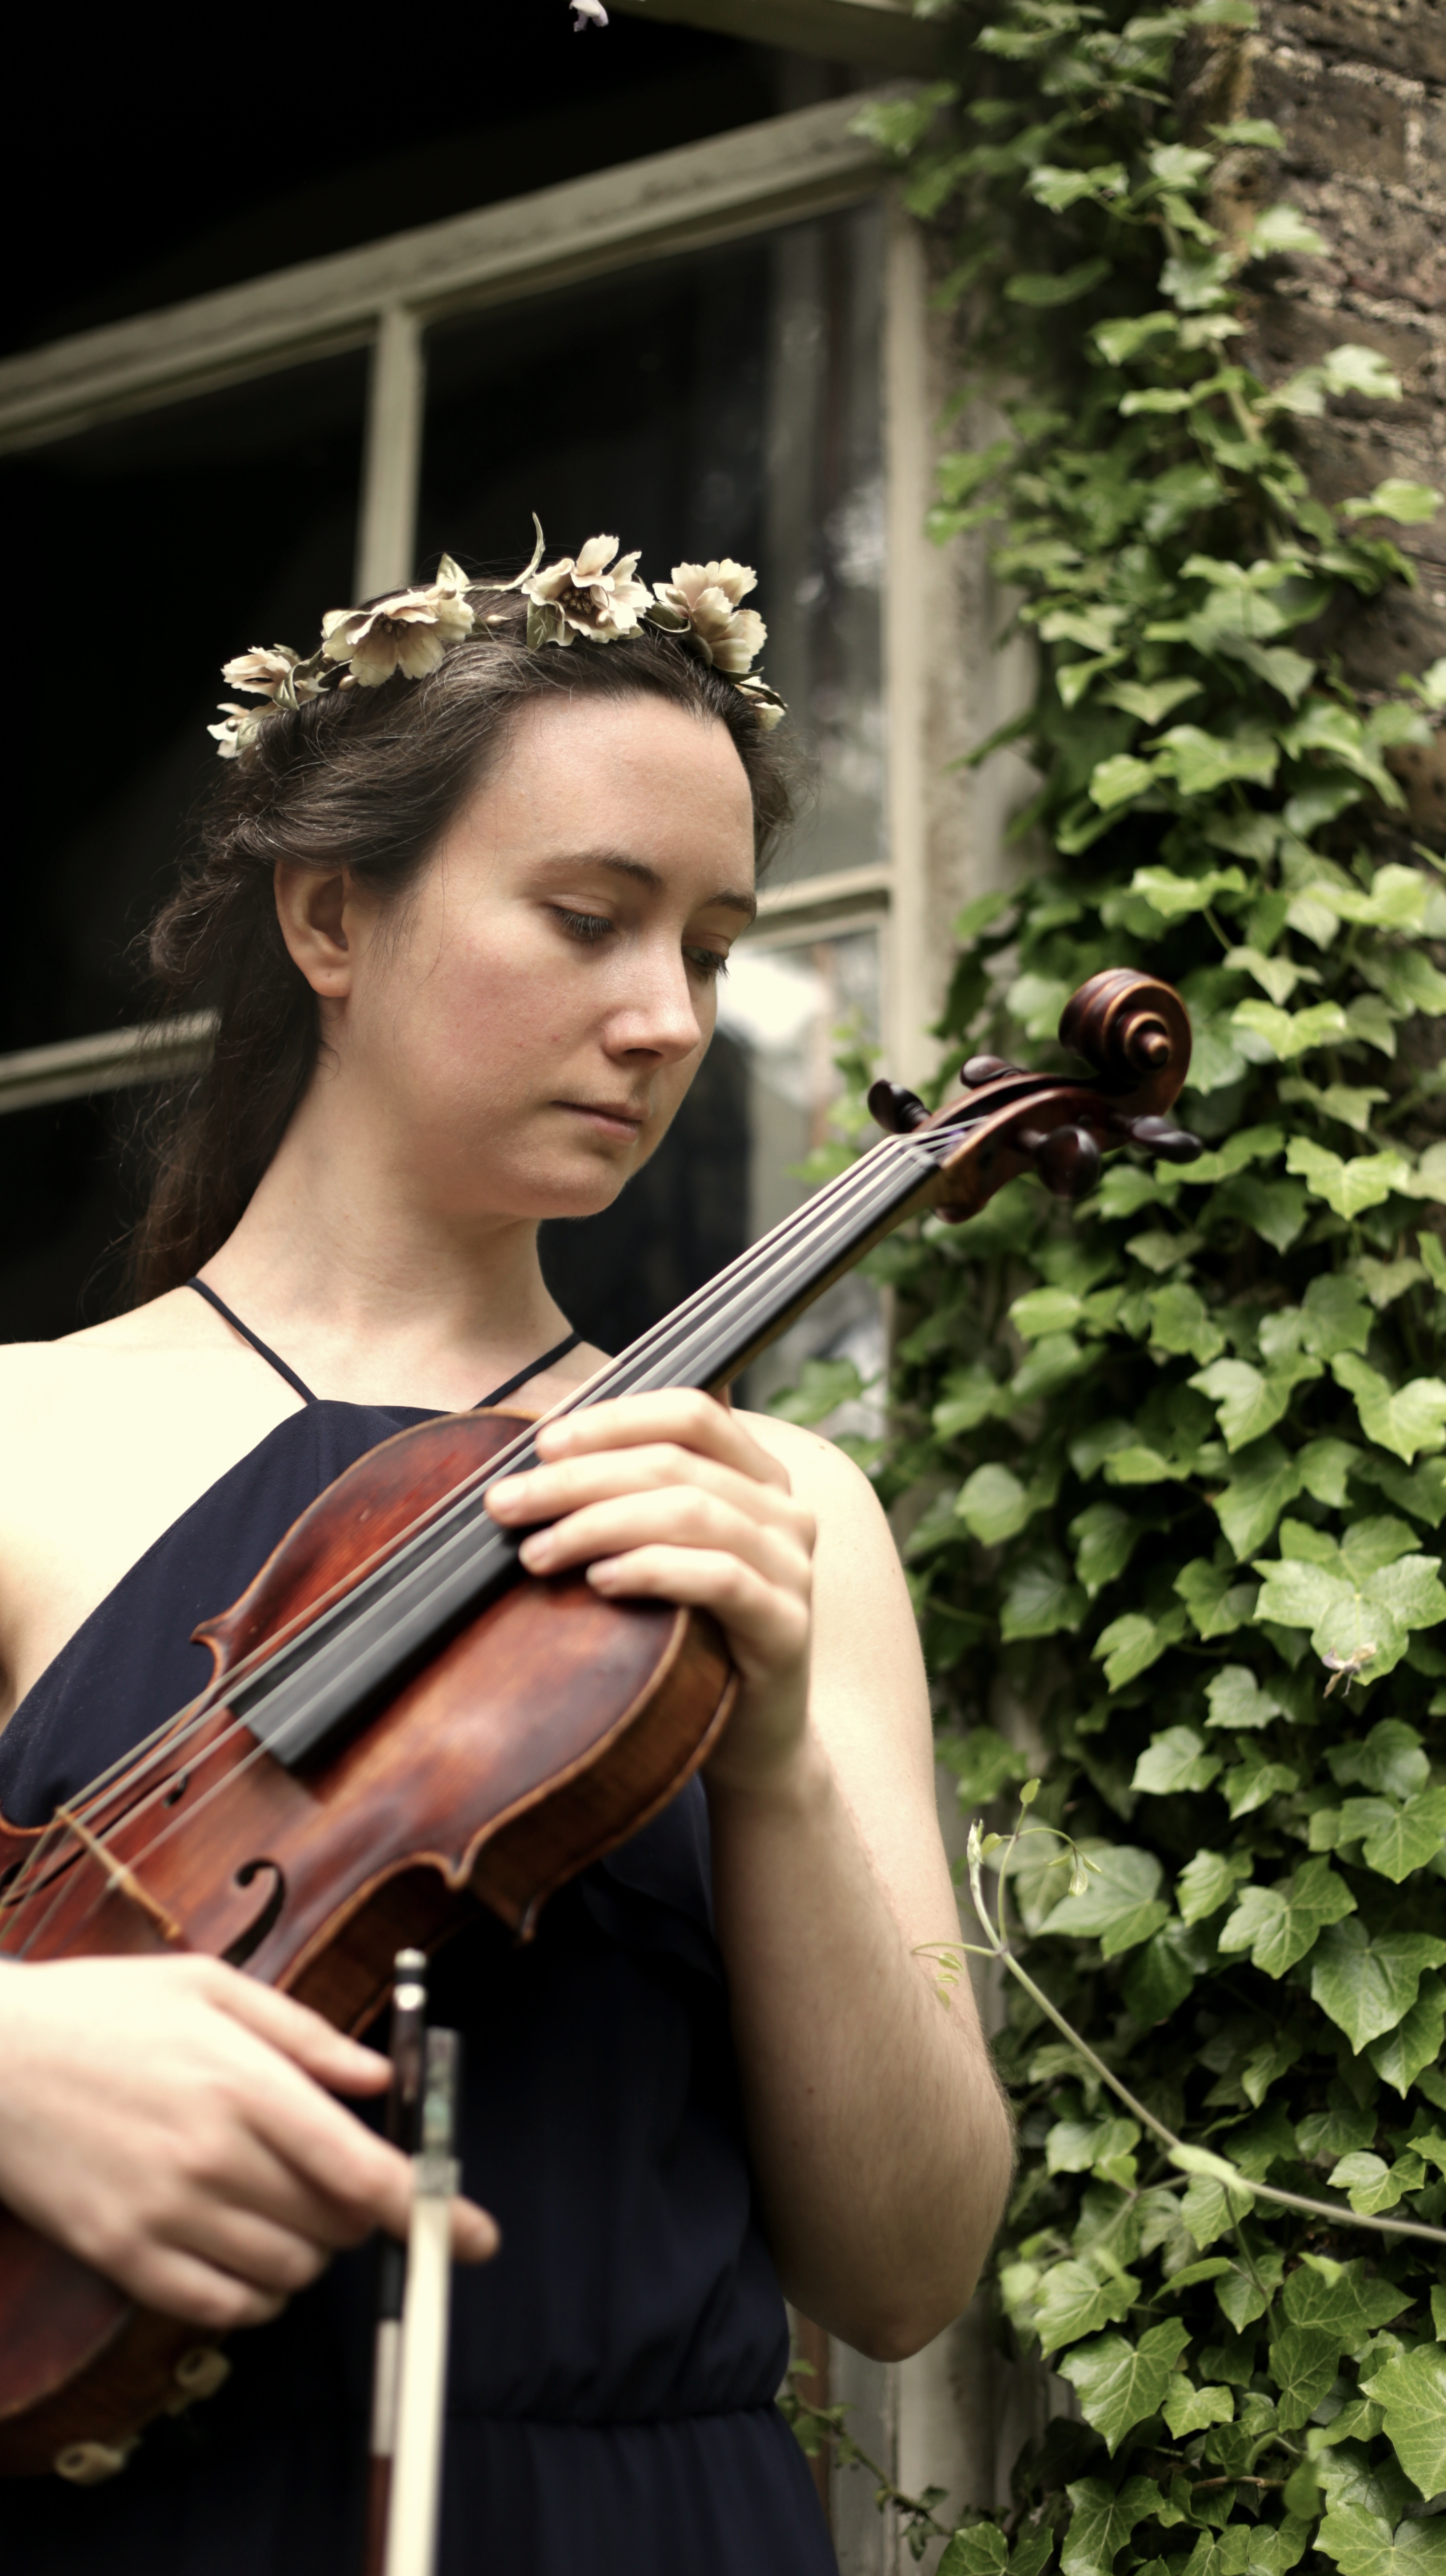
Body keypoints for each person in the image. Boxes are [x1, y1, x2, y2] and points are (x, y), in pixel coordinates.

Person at [0, 531, 1013, 2574]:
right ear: (330, 918)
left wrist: (780, 1745)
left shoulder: (779, 1510)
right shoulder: (22, 1435)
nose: (668, 1018)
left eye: (714, 949)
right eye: (587, 918)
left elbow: (903, 2273)